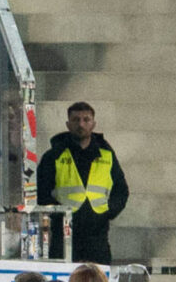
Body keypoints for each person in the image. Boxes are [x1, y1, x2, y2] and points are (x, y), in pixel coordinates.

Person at [36, 102, 129, 262]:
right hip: (64, 232)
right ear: (68, 124)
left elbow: (121, 190)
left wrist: (109, 212)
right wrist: (57, 214)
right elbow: (41, 190)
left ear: (93, 124)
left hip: (97, 233)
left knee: (98, 281)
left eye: (86, 120)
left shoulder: (106, 155)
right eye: (76, 119)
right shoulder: (54, 155)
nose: (81, 124)